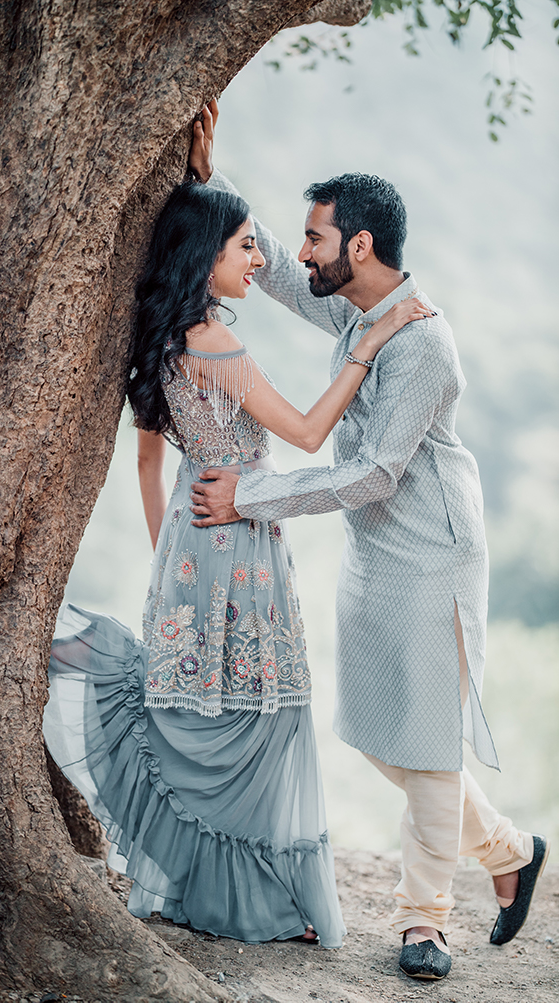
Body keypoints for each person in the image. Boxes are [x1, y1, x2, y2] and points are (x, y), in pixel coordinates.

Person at [187, 101, 549, 979]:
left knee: (426, 754)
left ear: (358, 247)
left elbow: (375, 473)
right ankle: (508, 852)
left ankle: (423, 924)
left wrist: (252, 498)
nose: (299, 251)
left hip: (431, 559)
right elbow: (268, 268)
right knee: (387, 741)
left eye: (315, 237)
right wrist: (211, 178)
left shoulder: (420, 342)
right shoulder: (356, 309)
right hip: (372, 558)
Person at [43, 180, 428, 948]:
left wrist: (170, 565)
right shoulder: (216, 344)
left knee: (196, 704)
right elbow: (312, 433)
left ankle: (201, 880)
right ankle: (249, 896)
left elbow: (151, 469)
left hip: (189, 546)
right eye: (246, 245)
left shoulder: (166, 338)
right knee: (255, 717)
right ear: (206, 256)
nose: (261, 258)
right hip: (242, 542)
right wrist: (371, 341)